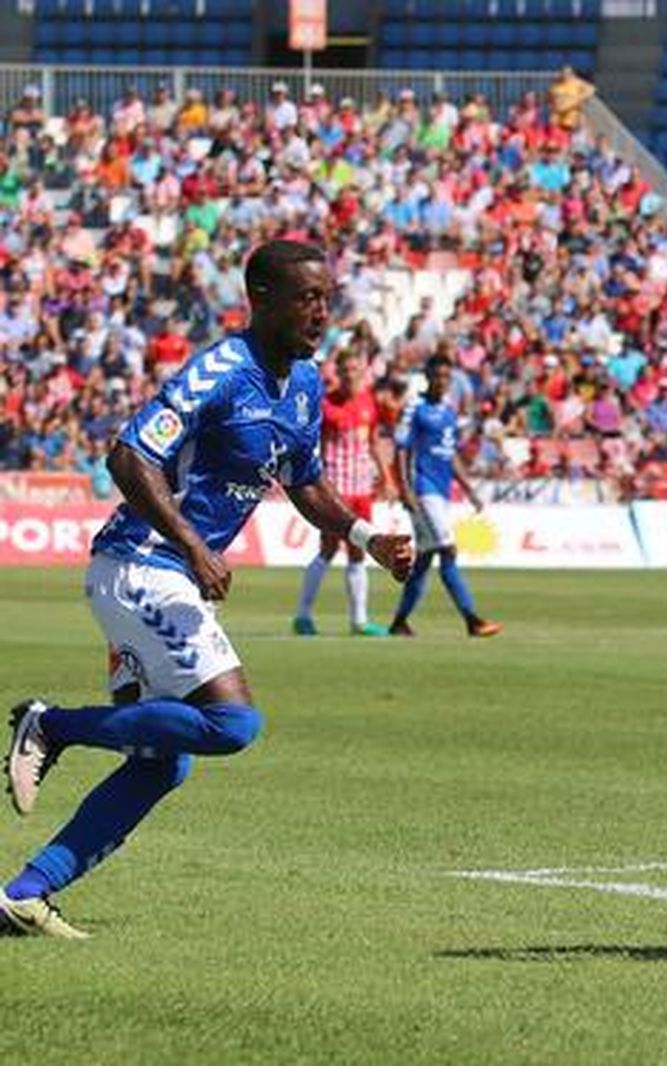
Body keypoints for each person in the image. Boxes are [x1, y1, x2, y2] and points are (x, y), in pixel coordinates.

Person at [1, 241, 415, 938]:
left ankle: (24, 893)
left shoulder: (307, 382)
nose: (321, 312)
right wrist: (194, 547)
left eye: (326, 296)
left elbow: (305, 481)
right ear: (261, 298)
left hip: (160, 575)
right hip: (141, 568)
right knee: (234, 724)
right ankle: (51, 725)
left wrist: (368, 539)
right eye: (306, 298)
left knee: (162, 765)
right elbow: (128, 454)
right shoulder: (219, 372)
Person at [388, 354, 501, 638]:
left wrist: (469, 489)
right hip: (422, 489)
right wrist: (406, 489)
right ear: (427, 376)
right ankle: (472, 619)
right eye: (437, 376)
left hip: (441, 490)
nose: (441, 382)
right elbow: (401, 449)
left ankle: (399, 622)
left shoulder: (449, 412)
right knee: (448, 550)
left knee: (425, 559)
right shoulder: (415, 408)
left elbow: (450, 457)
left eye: (446, 377)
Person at [292, 346, 391, 637]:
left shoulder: (368, 402)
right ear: (338, 373)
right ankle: (303, 615)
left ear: (362, 372)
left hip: (362, 488)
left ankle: (359, 621)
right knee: (328, 549)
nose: (349, 375)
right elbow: (309, 441)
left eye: (354, 370)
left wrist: (386, 477)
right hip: (335, 489)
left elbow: (372, 441)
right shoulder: (326, 404)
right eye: (345, 370)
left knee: (360, 552)